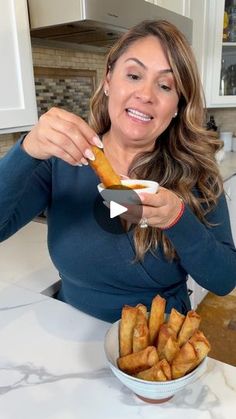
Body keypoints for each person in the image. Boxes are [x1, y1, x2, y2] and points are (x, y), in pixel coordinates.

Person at [0, 20, 235, 322]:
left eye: (165, 85)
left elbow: (224, 279)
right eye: (134, 75)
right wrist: (26, 151)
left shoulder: (197, 174)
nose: (146, 94)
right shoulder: (62, 160)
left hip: (157, 349)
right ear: (109, 80)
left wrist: (177, 218)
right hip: (69, 340)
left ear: (178, 104)